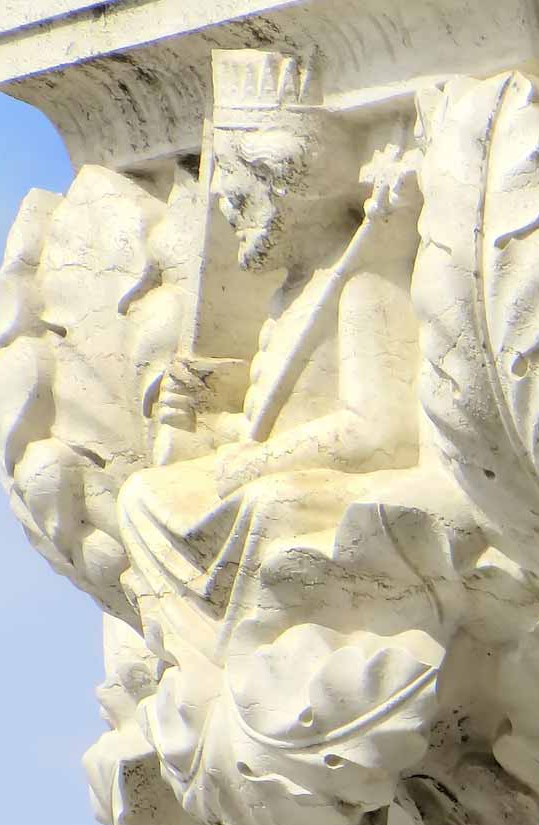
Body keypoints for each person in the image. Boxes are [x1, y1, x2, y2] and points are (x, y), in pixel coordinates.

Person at [118, 50, 422, 663]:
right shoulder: (288, 299)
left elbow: (377, 431)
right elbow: (276, 422)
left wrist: (254, 464)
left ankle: (255, 657)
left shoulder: (361, 283)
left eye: (240, 193)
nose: (228, 213)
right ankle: (204, 664)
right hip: (276, 473)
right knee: (143, 495)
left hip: (336, 488)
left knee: (269, 505)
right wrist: (209, 428)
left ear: (289, 187)